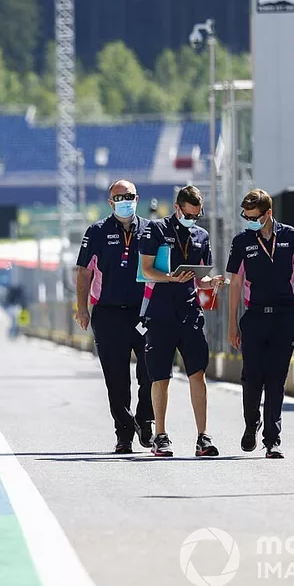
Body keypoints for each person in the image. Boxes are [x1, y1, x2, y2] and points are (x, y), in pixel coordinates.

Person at [227, 189, 294, 459]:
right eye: (246, 216)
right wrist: (233, 324)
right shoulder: (242, 241)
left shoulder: (291, 236)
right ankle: (250, 423)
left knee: (276, 380)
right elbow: (235, 283)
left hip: (284, 317)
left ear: (268, 214)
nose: (249, 220)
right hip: (254, 317)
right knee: (252, 377)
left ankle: (272, 439)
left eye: (254, 216)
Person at [139, 185, 224, 458]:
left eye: (197, 215)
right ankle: (160, 435)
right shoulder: (155, 229)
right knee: (161, 376)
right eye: (188, 214)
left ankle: (203, 436)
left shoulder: (202, 235)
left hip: (189, 311)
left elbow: (201, 277)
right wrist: (171, 278)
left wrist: (214, 282)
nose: (193, 220)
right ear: (177, 208)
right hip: (161, 311)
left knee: (197, 373)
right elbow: (147, 269)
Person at [75, 179, 155, 453]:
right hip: (108, 314)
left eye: (129, 196)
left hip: (144, 313)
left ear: (137, 197)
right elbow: (84, 271)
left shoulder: (150, 229)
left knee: (150, 371)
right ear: (110, 202)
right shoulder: (96, 231)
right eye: (119, 197)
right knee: (116, 377)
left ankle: (146, 420)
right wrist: (82, 308)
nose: (125, 200)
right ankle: (124, 433)